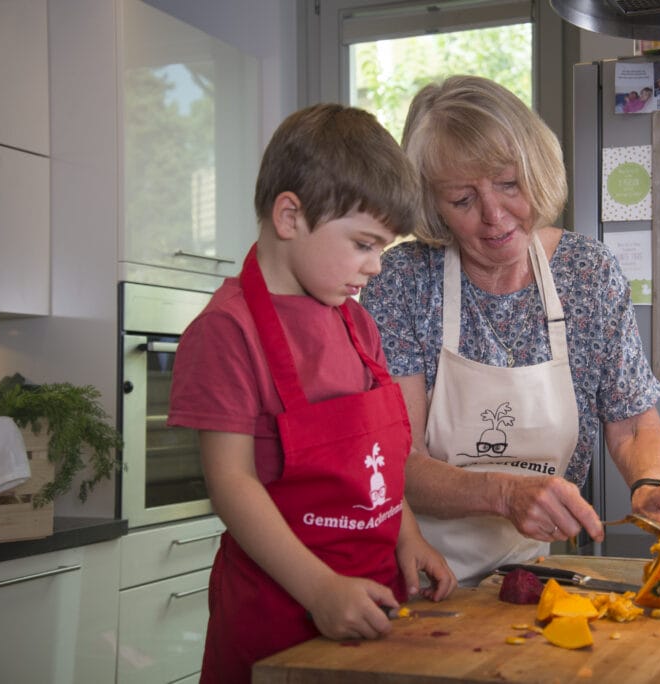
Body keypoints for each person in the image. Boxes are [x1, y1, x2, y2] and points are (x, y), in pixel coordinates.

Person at [360, 75, 660, 586]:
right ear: (431, 204)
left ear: (536, 170)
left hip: (528, 575)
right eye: (462, 200)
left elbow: (632, 424)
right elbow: (397, 460)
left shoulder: (587, 272)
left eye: (510, 184)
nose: (494, 216)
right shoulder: (402, 280)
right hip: (413, 572)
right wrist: (503, 494)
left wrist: (649, 488)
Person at [167, 103, 456, 683]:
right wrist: (320, 589)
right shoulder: (227, 331)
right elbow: (231, 483)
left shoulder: (358, 324)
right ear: (290, 216)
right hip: (279, 614)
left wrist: (408, 536)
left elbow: (376, 464)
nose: (376, 266)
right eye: (363, 244)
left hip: (374, 605)